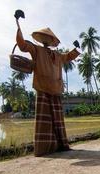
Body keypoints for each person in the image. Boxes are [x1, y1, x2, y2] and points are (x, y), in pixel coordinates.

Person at [15, 18, 80, 156]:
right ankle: (44, 148)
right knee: (44, 120)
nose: (46, 41)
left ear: (52, 42)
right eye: (44, 38)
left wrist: (76, 48)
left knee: (57, 119)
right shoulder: (36, 49)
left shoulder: (57, 55)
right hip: (43, 87)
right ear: (41, 39)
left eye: (48, 39)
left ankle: (60, 144)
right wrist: (18, 24)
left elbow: (68, 56)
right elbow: (22, 45)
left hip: (55, 88)